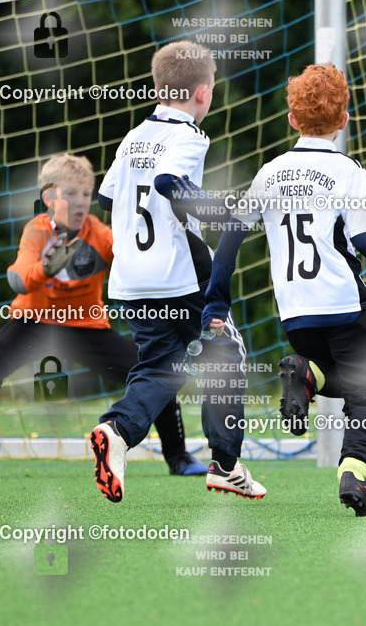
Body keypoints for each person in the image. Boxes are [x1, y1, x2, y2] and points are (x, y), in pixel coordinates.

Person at [202, 63, 366, 517]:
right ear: (344, 119)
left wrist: (216, 300)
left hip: (295, 311)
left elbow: (229, 239)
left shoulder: (270, 172)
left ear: (291, 119)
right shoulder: (347, 171)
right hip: (344, 301)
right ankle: (354, 478)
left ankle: (306, 373)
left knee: (334, 372)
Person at [91, 41, 263, 502]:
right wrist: (219, 211)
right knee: (225, 356)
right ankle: (225, 465)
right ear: (204, 93)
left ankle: (118, 431)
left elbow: (108, 198)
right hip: (180, 274)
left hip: (132, 277)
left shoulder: (135, 135)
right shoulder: (187, 135)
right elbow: (168, 183)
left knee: (160, 369)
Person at [0, 155, 204, 478]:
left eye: (85, 193)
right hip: (34, 322)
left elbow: (133, 258)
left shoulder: (99, 232)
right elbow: (17, 279)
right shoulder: (36, 231)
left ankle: (179, 458)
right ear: (49, 198)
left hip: (84, 326)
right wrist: (45, 268)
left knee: (155, 372)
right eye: (70, 194)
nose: (80, 202)